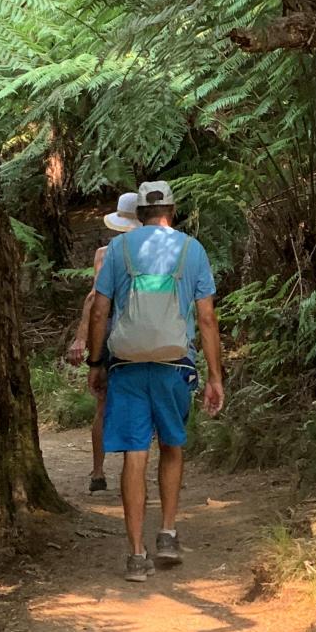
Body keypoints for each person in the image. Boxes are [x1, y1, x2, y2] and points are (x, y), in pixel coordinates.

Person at [85, 180, 224, 583]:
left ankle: (135, 554)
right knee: (172, 445)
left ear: (139, 214)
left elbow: (98, 311)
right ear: (172, 211)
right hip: (174, 365)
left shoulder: (117, 250)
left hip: (126, 366)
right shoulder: (191, 249)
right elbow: (207, 318)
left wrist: (96, 363)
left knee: (134, 454)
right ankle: (166, 533)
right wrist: (215, 376)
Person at [67, 192, 140, 493]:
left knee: (102, 403)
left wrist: (83, 337)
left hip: (110, 333)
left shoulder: (104, 253)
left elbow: (95, 298)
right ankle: (130, 471)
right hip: (142, 334)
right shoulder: (152, 253)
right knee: (136, 405)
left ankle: (98, 472)